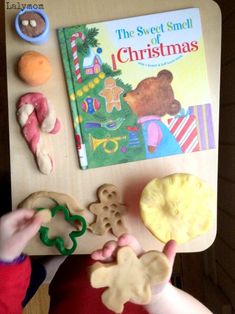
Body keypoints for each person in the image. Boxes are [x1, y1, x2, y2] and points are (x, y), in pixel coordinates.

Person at [0, 209, 212, 314]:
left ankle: (47, 271)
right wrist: (159, 297)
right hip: (139, 291)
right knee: (78, 269)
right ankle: (51, 268)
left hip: (72, 295)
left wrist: (5, 263)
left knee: (66, 278)